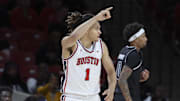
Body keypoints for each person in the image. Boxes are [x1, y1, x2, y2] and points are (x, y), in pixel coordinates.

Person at [60, 7, 116, 101]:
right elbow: (74, 36)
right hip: (72, 97)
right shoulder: (70, 43)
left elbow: (111, 71)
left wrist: (111, 89)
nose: (100, 32)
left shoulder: (101, 46)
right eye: (97, 29)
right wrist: (95, 18)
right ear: (86, 30)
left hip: (93, 97)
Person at [115, 22, 150, 101]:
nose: (146, 39)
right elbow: (122, 79)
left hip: (118, 95)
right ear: (135, 39)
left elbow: (123, 76)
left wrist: (140, 78)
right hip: (127, 96)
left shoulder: (124, 50)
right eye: (143, 37)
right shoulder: (133, 55)